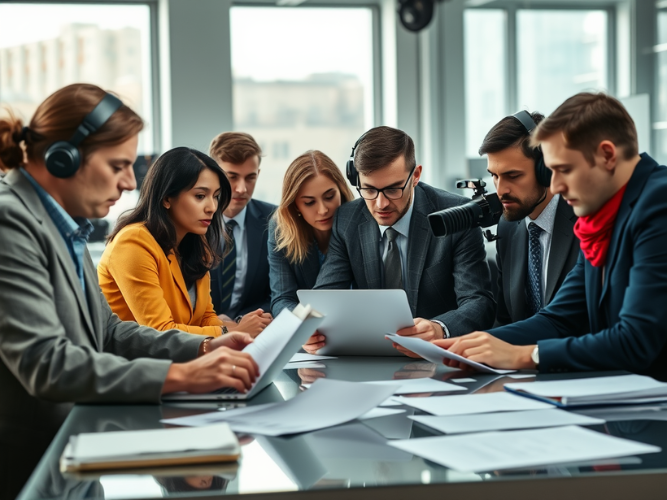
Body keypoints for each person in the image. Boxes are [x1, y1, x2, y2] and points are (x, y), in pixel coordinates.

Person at [0, 84, 259, 498]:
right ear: (63, 158)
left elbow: (109, 331)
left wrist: (202, 350)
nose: (128, 182)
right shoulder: (9, 221)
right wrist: (179, 376)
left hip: (73, 459)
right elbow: (45, 362)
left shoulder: (66, 225)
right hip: (28, 468)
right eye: (118, 164)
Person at [436, 92, 667, 378]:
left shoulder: (659, 203)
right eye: (551, 172)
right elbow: (559, 319)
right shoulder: (600, 218)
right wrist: (469, 345)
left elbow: (636, 340)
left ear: (607, 155)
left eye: (564, 170)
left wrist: (526, 354)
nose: (555, 186)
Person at [312, 125, 495, 355]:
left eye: (393, 189)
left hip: (437, 359)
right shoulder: (347, 220)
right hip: (371, 358)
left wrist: (439, 329)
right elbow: (325, 299)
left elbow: (480, 302)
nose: (381, 204)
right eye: (368, 189)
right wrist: (312, 330)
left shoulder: (456, 216)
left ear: (416, 176)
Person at [99, 147, 264, 336]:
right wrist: (231, 331)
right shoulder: (133, 242)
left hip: (182, 359)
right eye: (200, 196)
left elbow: (205, 317)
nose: (212, 207)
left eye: (216, 196)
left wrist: (250, 326)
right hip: (132, 362)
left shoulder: (196, 243)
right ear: (167, 198)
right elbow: (159, 331)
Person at [480, 111, 580, 326]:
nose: (500, 190)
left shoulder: (586, 221)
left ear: (547, 168)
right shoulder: (507, 227)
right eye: (494, 176)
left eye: (513, 176)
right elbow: (506, 319)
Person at [268, 150, 354, 317]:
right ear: (295, 206)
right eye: (309, 202)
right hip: (309, 333)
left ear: (341, 191)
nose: (322, 210)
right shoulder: (280, 229)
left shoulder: (359, 223)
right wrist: (305, 323)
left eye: (329, 197)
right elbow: (282, 298)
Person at [209, 132, 275, 334]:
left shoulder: (275, 219)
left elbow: (279, 291)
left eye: (250, 177)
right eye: (232, 177)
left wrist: (242, 322)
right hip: (198, 335)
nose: (241, 188)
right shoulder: (188, 221)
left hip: (254, 335)